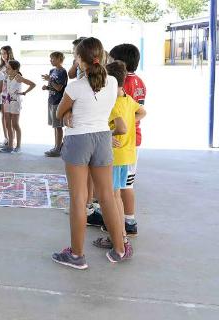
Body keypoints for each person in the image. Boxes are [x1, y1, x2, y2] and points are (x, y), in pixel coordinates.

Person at [52, 37, 132, 270]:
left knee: (79, 197)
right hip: (103, 138)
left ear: (79, 59)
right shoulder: (113, 81)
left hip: (79, 140)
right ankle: (119, 249)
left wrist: (69, 112)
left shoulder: (75, 86)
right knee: (106, 195)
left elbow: (59, 112)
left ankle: (77, 255)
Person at [92, 61, 146, 249]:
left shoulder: (113, 102)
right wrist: (130, 121)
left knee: (112, 197)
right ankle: (120, 233)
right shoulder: (128, 99)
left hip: (115, 156)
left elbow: (120, 128)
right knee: (116, 195)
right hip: (127, 155)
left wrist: (110, 133)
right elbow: (142, 112)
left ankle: (119, 237)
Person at [106, 43, 146, 236]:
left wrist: (124, 126)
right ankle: (123, 220)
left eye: (112, 60)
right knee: (124, 183)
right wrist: (131, 122)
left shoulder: (123, 85)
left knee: (123, 185)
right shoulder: (139, 81)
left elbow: (123, 114)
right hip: (132, 139)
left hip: (123, 142)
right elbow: (140, 111)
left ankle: (127, 221)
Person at [2, 60, 36, 153]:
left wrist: (24, 92)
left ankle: (18, 146)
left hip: (15, 101)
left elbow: (33, 84)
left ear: (15, 70)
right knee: (7, 124)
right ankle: (10, 145)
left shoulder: (18, 77)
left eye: (8, 68)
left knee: (15, 124)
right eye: (6, 68)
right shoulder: (8, 76)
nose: (6, 70)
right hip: (7, 100)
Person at [42, 51, 68, 157]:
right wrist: (46, 87)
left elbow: (59, 88)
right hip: (51, 100)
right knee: (54, 126)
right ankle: (56, 146)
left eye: (53, 59)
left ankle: (58, 148)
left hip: (58, 101)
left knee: (58, 126)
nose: (51, 61)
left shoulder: (62, 72)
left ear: (60, 59)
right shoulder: (52, 70)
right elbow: (53, 87)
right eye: (50, 58)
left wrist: (50, 80)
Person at [0, 46, 14, 149]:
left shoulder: (13, 64)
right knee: (3, 116)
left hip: (9, 94)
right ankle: (6, 138)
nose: (3, 55)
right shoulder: (0, 67)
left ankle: (12, 140)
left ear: (9, 53)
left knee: (11, 117)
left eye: (4, 53)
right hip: (1, 94)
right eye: (1, 53)